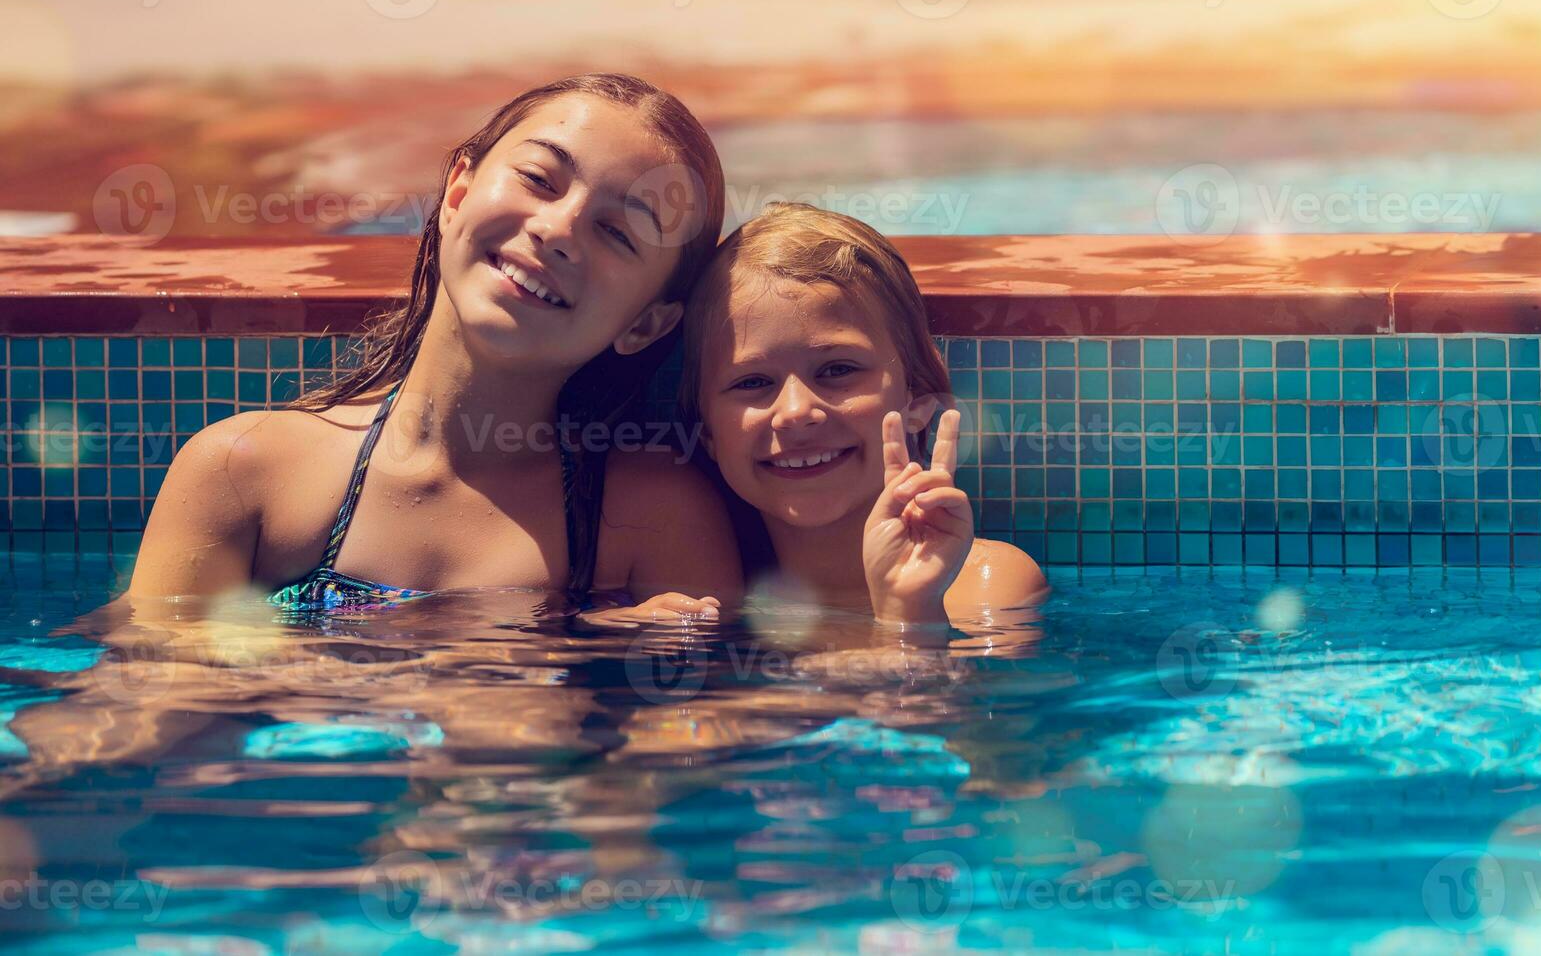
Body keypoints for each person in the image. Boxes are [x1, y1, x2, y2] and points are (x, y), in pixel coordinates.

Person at [128, 74, 740, 618]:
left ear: (647, 325)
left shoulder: (653, 519)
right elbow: (144, 701)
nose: (556, 230)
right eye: (537, 178)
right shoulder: (248, 472)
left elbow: (704, 727)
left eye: (617, 232)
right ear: (456, 194)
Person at [679, 202, 1047, 625]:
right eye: (752, 382)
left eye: (837, 370)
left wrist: (909, 611)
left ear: (919, 401)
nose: (797, 413)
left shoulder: (983, 583)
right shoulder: (705, 594)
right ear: (706, 431)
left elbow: (936, 693)